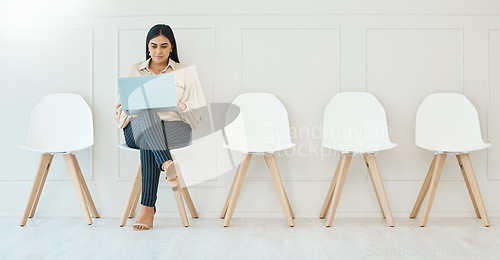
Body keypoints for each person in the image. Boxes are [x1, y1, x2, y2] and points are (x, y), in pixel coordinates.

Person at [114, 24, 201, 230]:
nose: (158, 51)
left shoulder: (184, 72)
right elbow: (119, 111)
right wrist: (134, 107)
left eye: (164, 46)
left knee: (149, 137)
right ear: (148, 46)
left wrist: (181, 106)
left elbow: (197, 115)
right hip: (137, 128)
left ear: (171, 47)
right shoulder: (134, 70)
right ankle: (166, 163)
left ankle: (147, 208)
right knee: (147, 115)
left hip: (175, 128)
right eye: (153, 46)